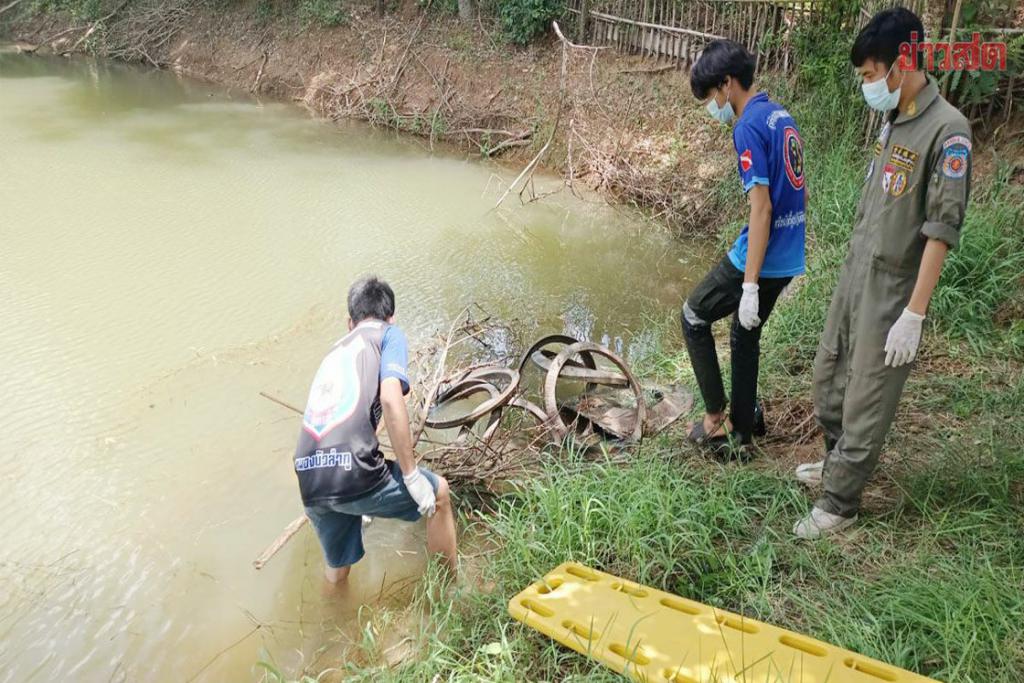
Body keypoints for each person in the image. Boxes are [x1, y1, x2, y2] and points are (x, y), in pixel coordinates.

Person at [793, 8, 971, 539]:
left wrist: (913, 314)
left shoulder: (948, 131)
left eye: (871, 75)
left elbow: (940, 229)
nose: (868, 86)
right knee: (830, 376)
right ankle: (834, 460)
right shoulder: (894, 119)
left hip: (894, 287)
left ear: (903, 63)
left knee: (868, 394)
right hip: (856, 273)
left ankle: (840, 503)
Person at [683, 39, 807, 454]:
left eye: (712, 95)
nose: (712, 105)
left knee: (694, 316)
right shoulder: (779, 115)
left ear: (728, 83)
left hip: (762, 256)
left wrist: (750, 284)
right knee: (743, 332)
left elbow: (762, 208)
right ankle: (744, 426)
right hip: (787, 255)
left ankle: (717, 417)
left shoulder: (747, 126)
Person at [293, 276, 457, 582]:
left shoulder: (334, 351)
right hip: (351, 472)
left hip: (308, 477)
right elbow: (391, 400)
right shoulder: (389, 335)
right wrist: (411, 476)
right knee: (440, 494)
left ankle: (332, 624)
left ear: (349, 322)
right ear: (390, 316)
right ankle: (450, 590)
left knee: (337, 570)